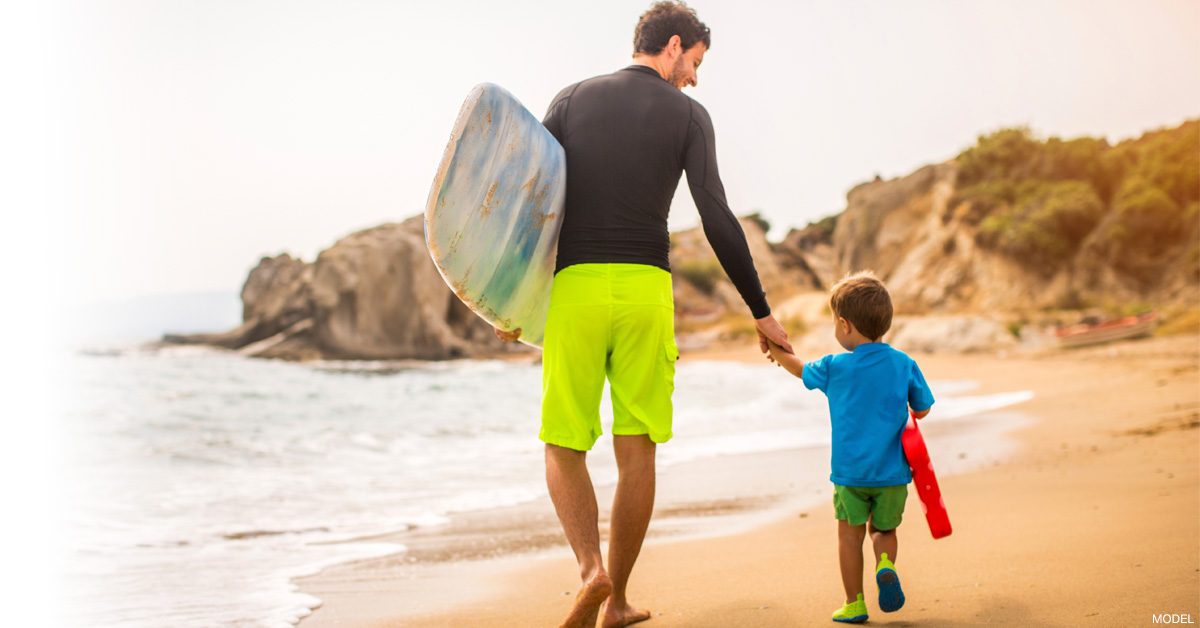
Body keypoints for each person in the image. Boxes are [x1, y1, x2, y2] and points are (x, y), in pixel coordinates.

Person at [493, 2, 793, 626]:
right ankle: (619, 600)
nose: (695, 78)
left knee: (562, 441)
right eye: (696, 63)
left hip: (573, 290)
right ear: (674, 45)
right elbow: (715, 216)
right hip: (644, 293)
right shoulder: (688, 116)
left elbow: (533, 199)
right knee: (639, 451)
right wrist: (760, 312)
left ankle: (589, 570)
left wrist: (508, 296)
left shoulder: (571, 99)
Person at [766, 271, 934, 625]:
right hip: (892, 474)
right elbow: (922, 408)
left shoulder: (834, 366)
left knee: (849, 535)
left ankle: (854, 603)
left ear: (844, 325)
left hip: (850, 473)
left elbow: (799, 369)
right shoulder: (904, 363)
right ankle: (885, 563)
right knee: (883, 531)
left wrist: (777, 349)